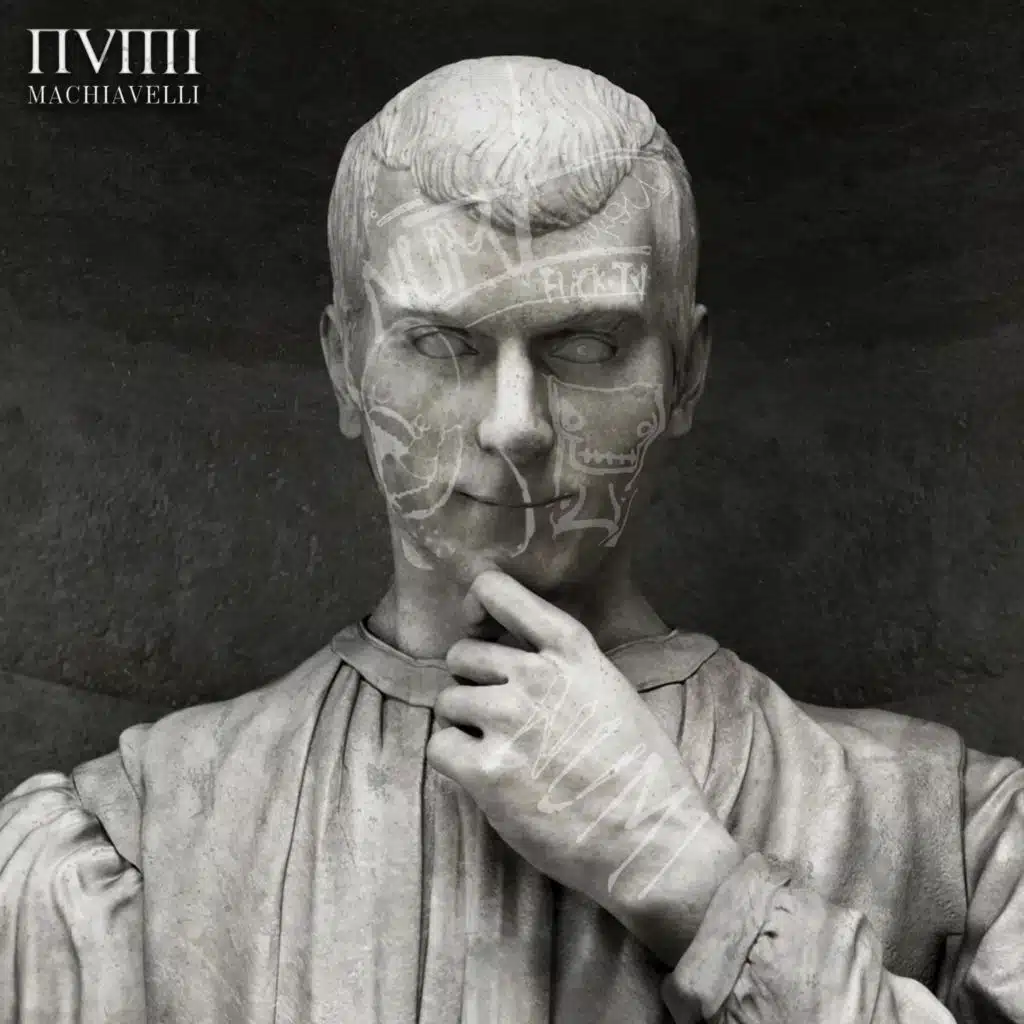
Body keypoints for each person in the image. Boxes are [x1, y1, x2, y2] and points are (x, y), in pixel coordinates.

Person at [0, 55, 1021, 1024]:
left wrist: (698, 883)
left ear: (687, 371)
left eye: (587, 343)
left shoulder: (953, 835)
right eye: (440, 344)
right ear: (345, 367)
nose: (514, 424)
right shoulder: (137, 844)